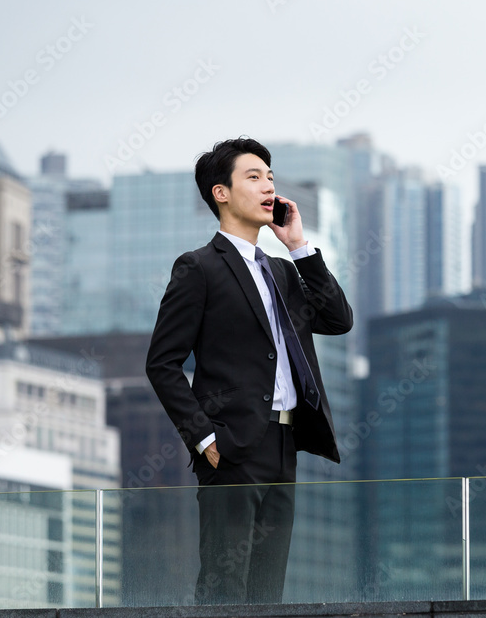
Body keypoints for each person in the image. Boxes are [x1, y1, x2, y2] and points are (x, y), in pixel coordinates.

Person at [146, 137, 352, 604]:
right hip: (232, 447)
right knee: (224, 588)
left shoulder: (282, 272)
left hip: (285, 446)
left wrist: (299, 246)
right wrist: (204, 439)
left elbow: (339, 320)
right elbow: (161, 363)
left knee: (267, 592)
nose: (268, 187)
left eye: (271, 178)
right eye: (254, 177)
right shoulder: (198, 267)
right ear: (221, 193)